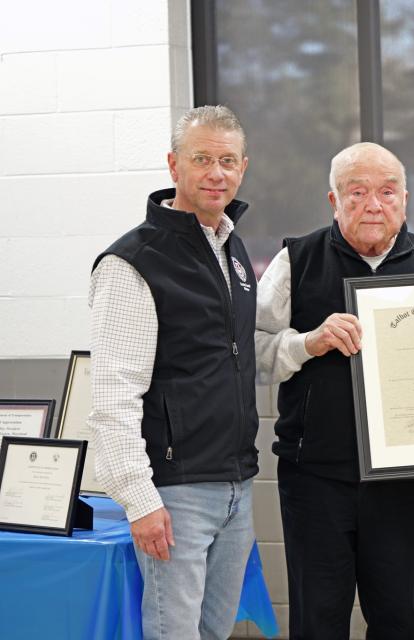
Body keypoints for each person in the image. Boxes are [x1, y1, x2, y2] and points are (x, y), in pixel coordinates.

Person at [255, 142, 414, 639]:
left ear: (405, 200)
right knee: (318, 619)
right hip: (314, 476)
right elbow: (251, 351)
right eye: (357, 192)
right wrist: (308, 342)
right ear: (333, 200)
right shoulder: (294, 260)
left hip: (402, 482)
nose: (373, 204)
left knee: (397, 618)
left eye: (387, 192)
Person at [87, 105, 259, 640]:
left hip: (237, 485)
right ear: (173, 165)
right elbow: (114, 396)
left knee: (215, 634)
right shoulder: (132, 261)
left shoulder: (231, 250)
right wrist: (141, 500)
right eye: (202, 158)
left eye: (227, 161)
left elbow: (235, 357)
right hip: (176, 493)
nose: (216, 173)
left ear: (243, 167)